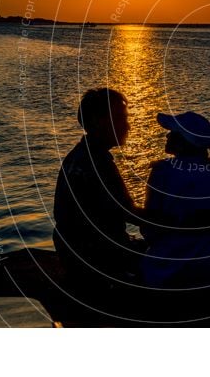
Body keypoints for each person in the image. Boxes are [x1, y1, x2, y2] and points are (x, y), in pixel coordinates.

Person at [52, 88, 145, 289]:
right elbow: (129, 212)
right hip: (96, 257)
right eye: (119, 119)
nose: (127, 126)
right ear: (97, 121)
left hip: (76, 251)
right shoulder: (95, 163)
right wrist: (176, 223)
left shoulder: (79, 156)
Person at [140, 111, 210, 288]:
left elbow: (149, 228)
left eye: (172, 133)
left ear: (182, 143)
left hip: (168, 273)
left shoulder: (162, 171)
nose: (167, 135)